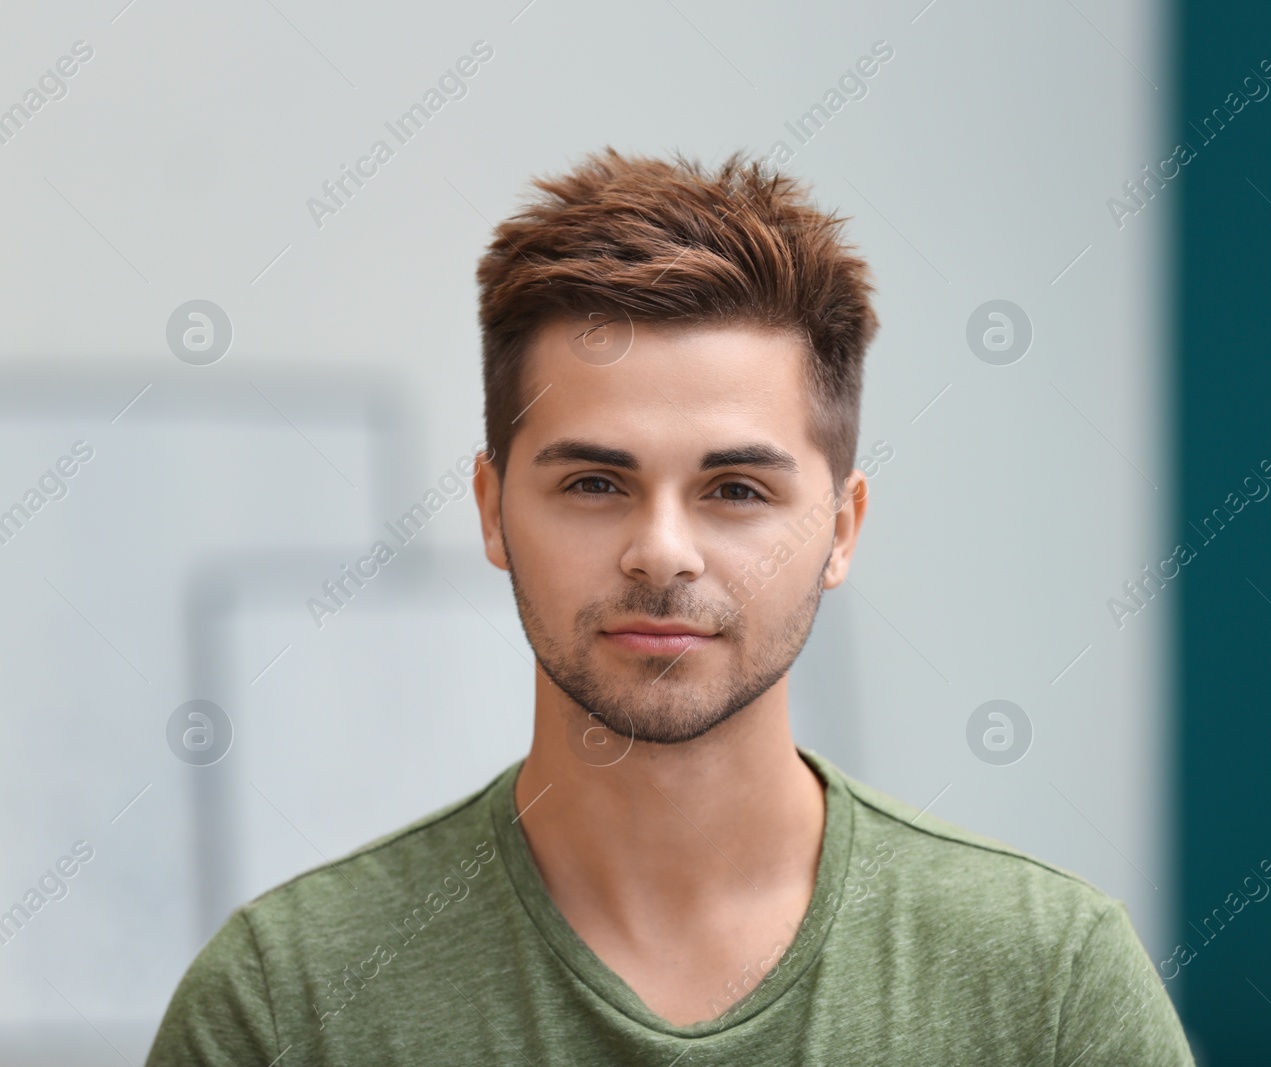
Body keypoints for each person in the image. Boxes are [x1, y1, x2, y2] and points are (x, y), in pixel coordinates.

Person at [146, 147, 1194, 1065]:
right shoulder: (285, 1003)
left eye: (736, 489)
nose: (661, 552)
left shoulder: (1049, 984)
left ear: (839, 528)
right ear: (492, 509)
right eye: (594, 484)